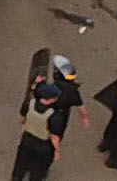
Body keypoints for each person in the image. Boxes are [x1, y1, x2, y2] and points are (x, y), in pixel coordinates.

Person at [17, 52, 83, 181]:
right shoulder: (55, 116)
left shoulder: (31, 103)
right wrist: (57, 151)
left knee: (21, 164)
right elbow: (54, 136)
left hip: (27, 139)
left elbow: (23, 117)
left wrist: (35, 84)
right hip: (43, 144)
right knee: (39, 169)